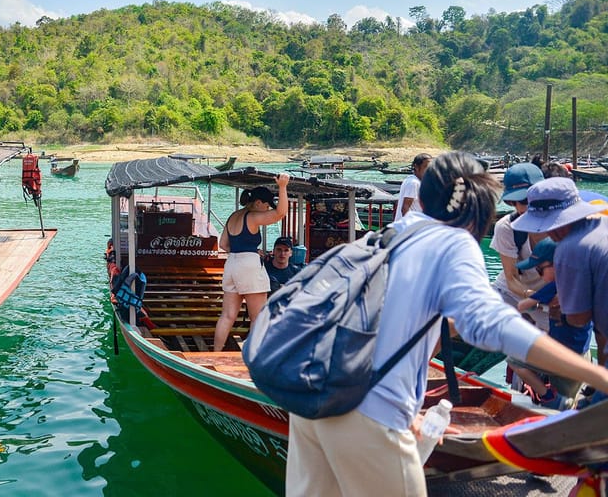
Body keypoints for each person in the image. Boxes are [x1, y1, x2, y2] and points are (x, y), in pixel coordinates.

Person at [284, 152, 608, 497]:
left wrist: (407, 405)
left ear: (423, 196)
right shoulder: (452, 245)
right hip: (366, 410)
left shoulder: (380, 238)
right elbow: (492, 324)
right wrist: (596, 376)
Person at [511, 177, 608, 372]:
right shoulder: (604, 224)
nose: (548, 233)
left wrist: (564, 308)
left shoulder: (569, 249)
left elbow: (578, 319)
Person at [509, 238, 592, 409]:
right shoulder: (582, 284)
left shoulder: (554, 287)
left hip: (561, 354)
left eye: (540, 270)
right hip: (582, 351)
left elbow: (522, 306)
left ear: (557, 264)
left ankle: (547, 396)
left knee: (514, 360)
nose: (539, 275)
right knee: (569, 400)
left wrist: (536, 300)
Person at [213, 175, 290, 351]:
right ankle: (252, 354)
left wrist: (244, 251)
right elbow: (281, 213)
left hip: (231, 263)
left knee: (227, 316)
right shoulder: (253, 217)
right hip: (249, 265)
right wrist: (283, 187)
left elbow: (223, 244)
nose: (267, 209)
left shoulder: (234, 216)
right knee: (257, 317)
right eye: (266, 205)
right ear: (257, 203)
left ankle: (215, 352)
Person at [489, 162, 548, 330]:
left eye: (529, 200)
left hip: (551, 300)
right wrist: (532, 297)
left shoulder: (562, 224)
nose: (524, 207)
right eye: (517, 202)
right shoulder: (507, 227)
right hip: (512, 294)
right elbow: (511, 278)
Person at [393, 153, 431, 221]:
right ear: (416, 167)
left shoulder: (416, 181)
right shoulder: (413, 183)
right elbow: (405, 208)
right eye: (426, 167)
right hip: (409, 227)